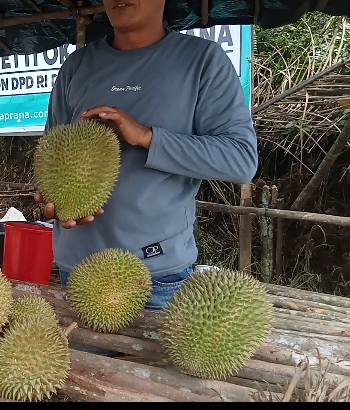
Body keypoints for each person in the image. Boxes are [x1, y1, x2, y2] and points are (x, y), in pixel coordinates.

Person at [37, 0, 258, 313]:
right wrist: (53, 201)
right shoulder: (77, 66)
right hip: (77, 270)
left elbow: (241, 159)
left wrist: (146, 137)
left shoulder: (202, 61)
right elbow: (52, 151)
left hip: (156, 277)